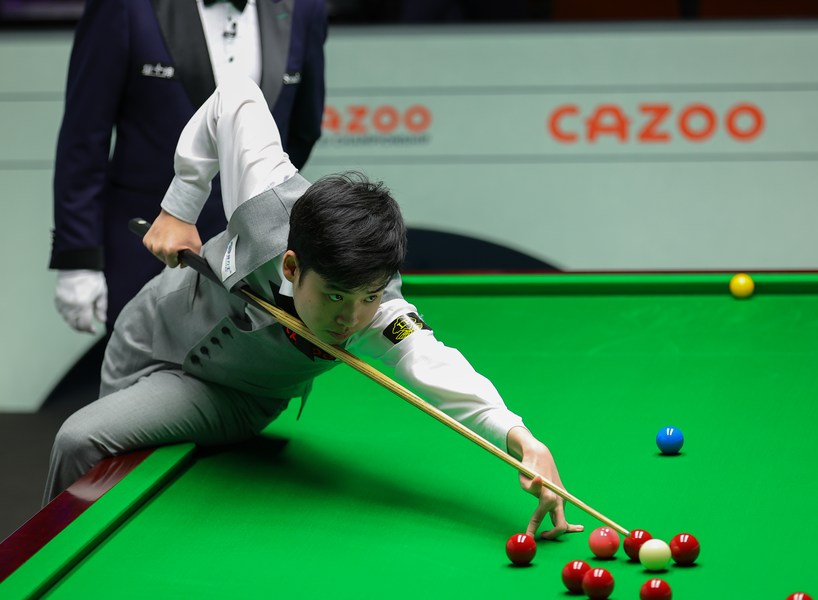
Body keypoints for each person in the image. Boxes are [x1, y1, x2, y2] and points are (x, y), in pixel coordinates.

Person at [44, 78, 584, 539]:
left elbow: (430, 360)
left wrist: (519, 437)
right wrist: (180, 205)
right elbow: (235, 97)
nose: (351, 318)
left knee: (78, 437)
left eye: (367, 297)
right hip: (147, 330)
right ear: (292, 266)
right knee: (106, 482)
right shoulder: (268, 201)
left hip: (233, 395)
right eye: (334, 297)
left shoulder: (380, 309)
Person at [50, 0, 326, 335]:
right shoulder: (124, 6)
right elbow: (84, 137)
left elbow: (301, 130)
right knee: (140, 363)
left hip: (254, 259)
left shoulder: (305, 7)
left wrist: (257, 209)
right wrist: (78, 258)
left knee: (250, 366)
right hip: (146, 248)